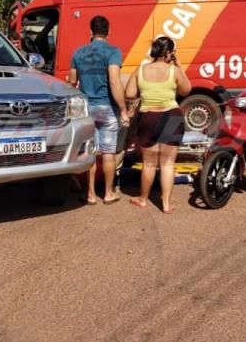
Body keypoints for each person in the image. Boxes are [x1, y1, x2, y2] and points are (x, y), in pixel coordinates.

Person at [124, 37, 192, 214]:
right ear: (170, 53)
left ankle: (143, 199)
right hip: (172, 116)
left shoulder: (141, 70)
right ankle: (166, 203)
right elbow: (186, 90)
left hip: (149, 118)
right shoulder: (174, 70)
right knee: (168, 163)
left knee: (149, 163)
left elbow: (129, 94)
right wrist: (179, 65)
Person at [68, 15, 129, 205]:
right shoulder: (113, 52)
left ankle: (90, 194)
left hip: (86, 109)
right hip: (107, 108)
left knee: (90, 152)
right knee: (108, 152)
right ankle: (109, 193)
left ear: (90, 32)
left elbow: (71, 82)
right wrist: (124, 109)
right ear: (109, 32)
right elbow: (114, 81)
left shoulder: (78, 53)